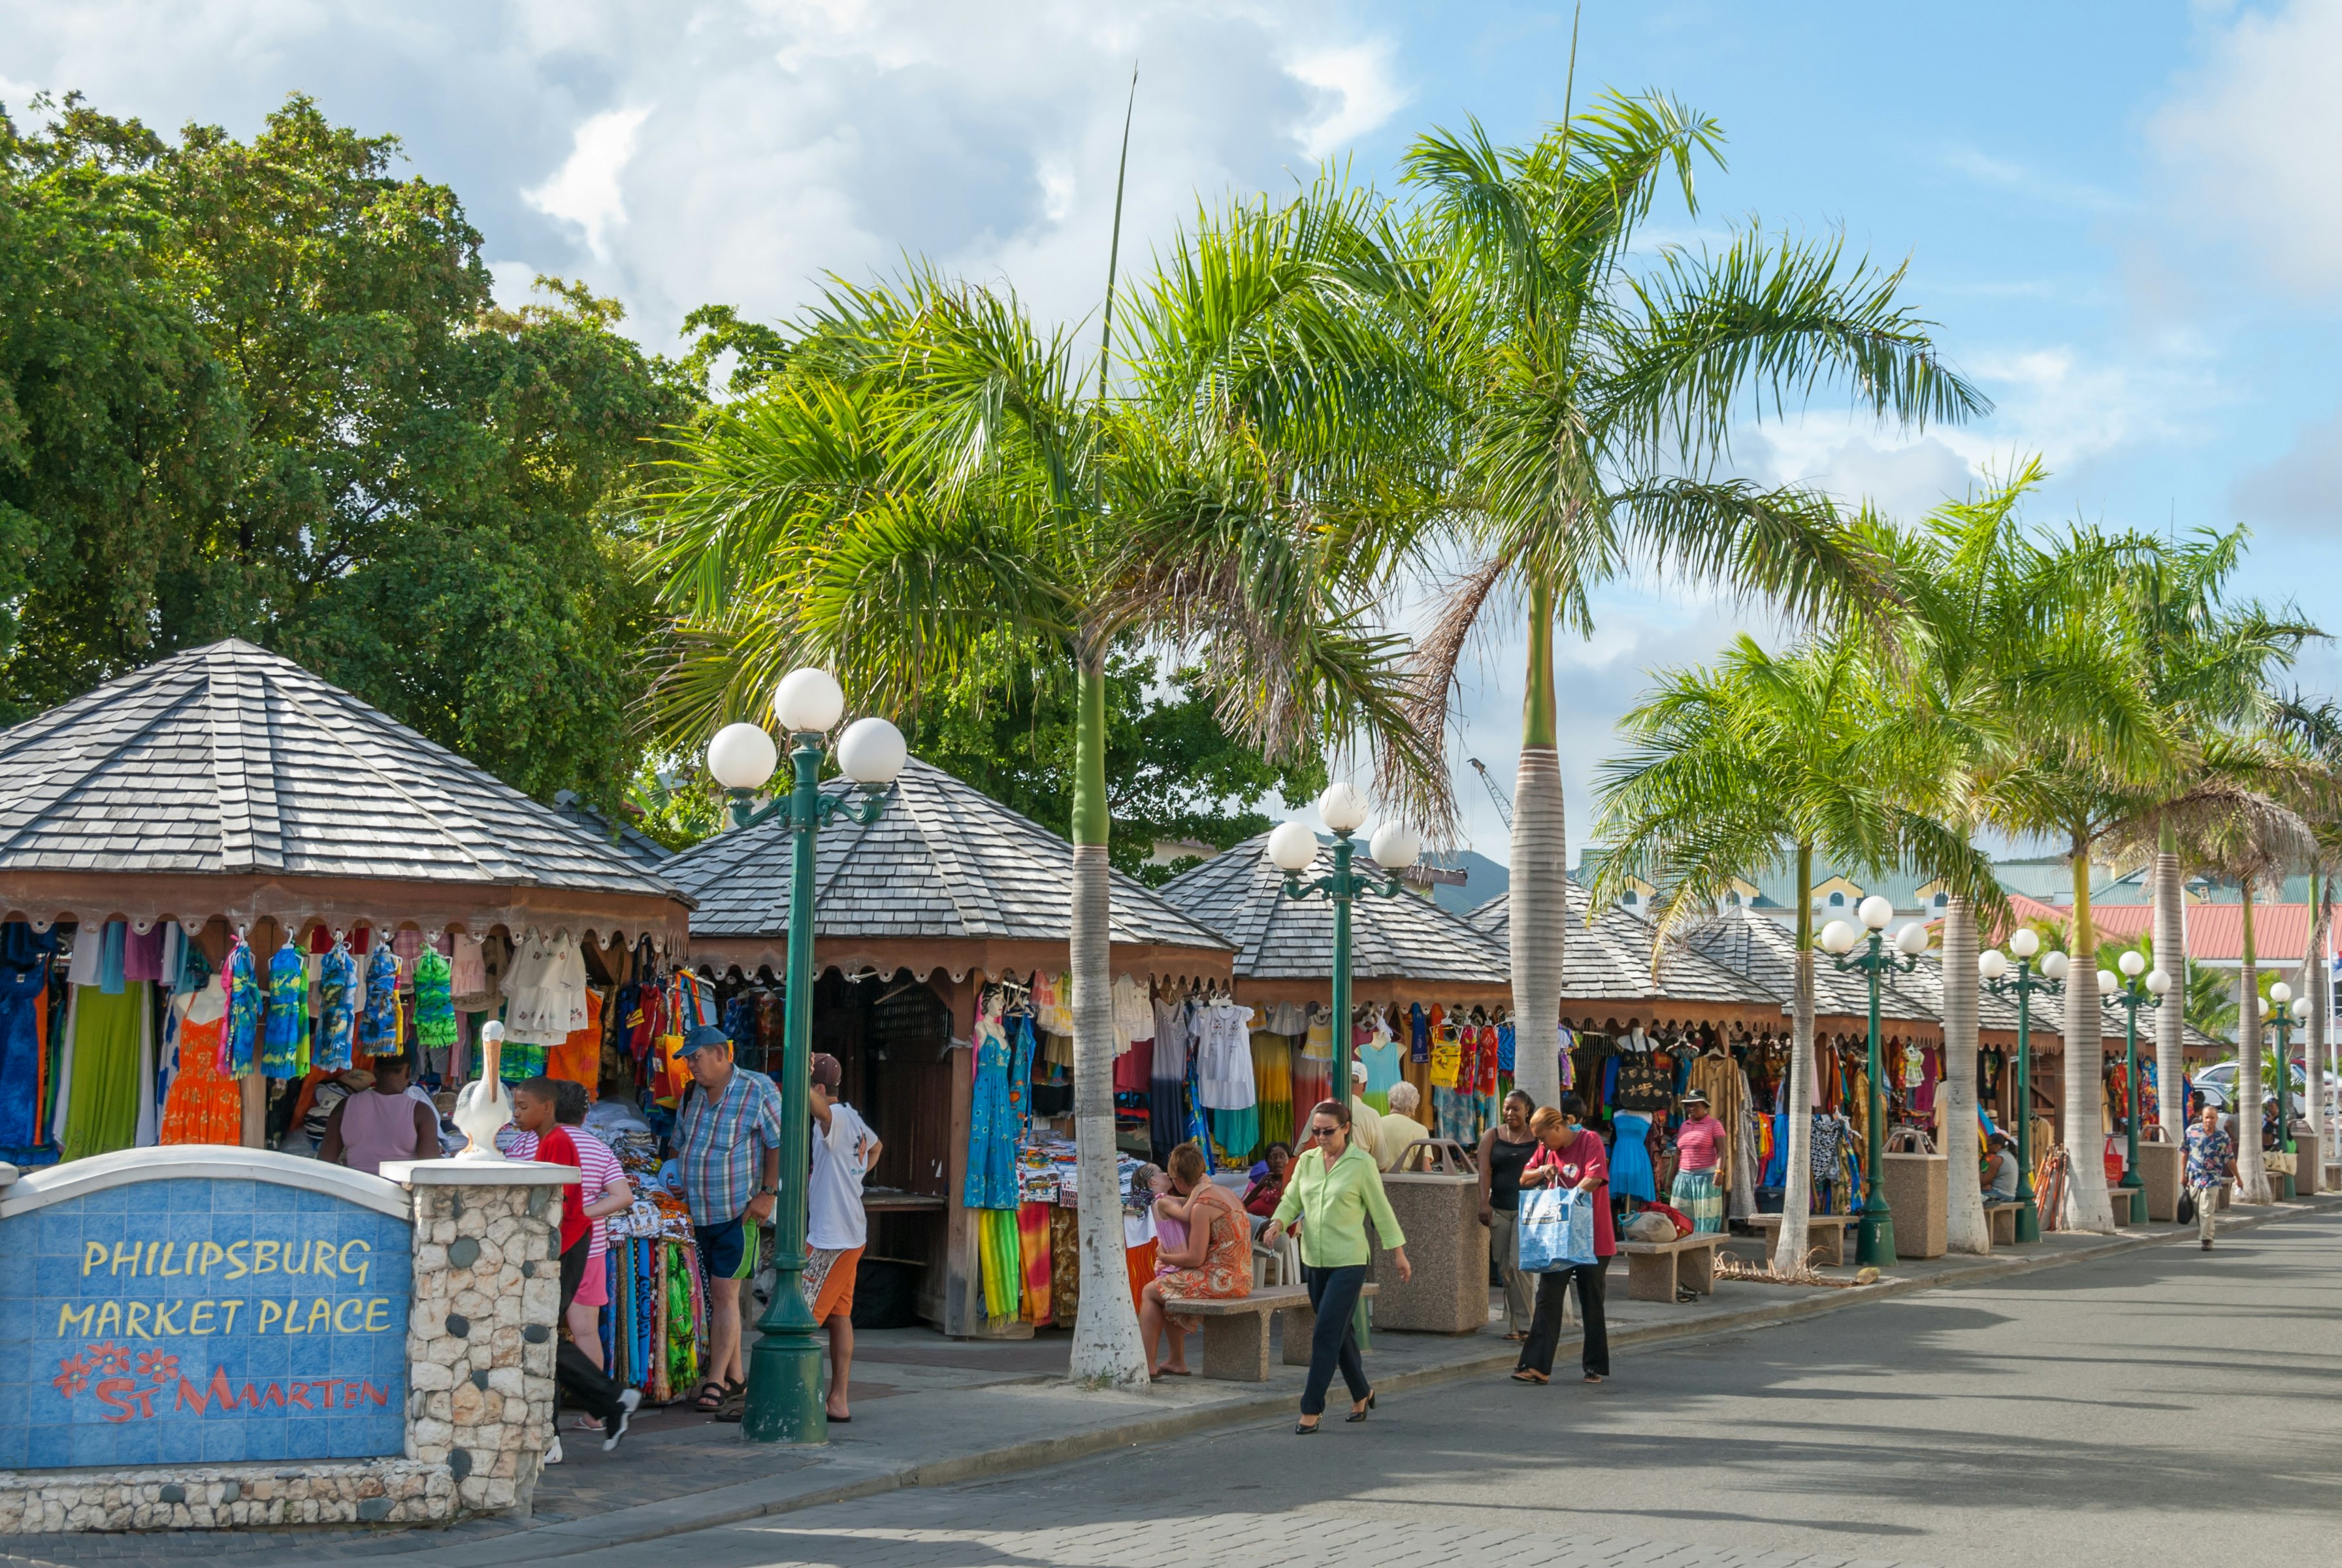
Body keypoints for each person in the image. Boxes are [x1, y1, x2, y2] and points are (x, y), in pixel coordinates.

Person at [510, 1077, 639, 1459]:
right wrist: (585, 1214)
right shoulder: (595, 1145)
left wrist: (574, 1215)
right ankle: (602, 1408)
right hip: (589, 1248)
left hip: (560, 1249)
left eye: (522, 1107)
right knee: (577, 1334)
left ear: (546, 1107)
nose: (515, 1115)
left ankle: (567, 1426)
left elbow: (542, 1201)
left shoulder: (536, 1143)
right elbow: (621, 1196)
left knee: (542, 1333)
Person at [1271, 1101, 1411, 1433]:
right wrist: (1278, 1222)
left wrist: (1399, 1253)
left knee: (1324, 1335)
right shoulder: (1306, 1161)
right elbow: (1292, 1199)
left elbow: (1381, 1211)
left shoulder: (1361, 1164)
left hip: (1349, 1262)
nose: (1321, 1137)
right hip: (1314, 1261)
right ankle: (1362, 1392)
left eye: (1328, 1131)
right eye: (1316, 1131)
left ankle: (1311, 1409)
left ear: (1346, 1128)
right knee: (1340, 1333)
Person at [674, 1024, 785, 1416]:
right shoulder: (692, 1095)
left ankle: (715, 1380)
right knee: (716, 1297)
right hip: (695, 1212)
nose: (691, 1066)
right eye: (688, 1059)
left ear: (721, 1054)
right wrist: (672, 1172)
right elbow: (679, 1141)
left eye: (696, 1057)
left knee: (724, 1294)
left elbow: (779, 1141)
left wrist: (768, 1194)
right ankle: (736, 1376)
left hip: (736, 1213)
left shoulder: (757, 1089)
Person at [1512, 1097, 1612, 1386]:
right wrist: (1543, 1170)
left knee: (1592, 1300)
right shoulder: (1545, 1150)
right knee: (1548, 1296)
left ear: (1558, 1126)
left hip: (1593, 1238)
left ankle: (1595, 1366)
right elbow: (1523, 1178)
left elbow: (1595, 1177)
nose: (1542, 1144)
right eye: (1539, 1140)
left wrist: (1569, 1200)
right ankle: (1536, 1366)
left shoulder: (1589, 1140)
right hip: (1558, 1240)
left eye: (1544, 1137)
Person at [806, 1051, 881, 1422]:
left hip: (831, 1236)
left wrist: (796, 1076)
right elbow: (877, 1145)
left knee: (802, 1315)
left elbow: (820, 1111)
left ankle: (796, 1395)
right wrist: (858, 1175)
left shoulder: (834, 1116)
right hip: (850, 1229)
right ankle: (838, 1400)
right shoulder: (854, 1117)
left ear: (820, 1088)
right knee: (840, 1316)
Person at [1141, 1140, 1254, 1380]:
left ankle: (1148, 1364)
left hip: (1222, 1280)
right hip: (1242, 1277)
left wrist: (1163, 1256)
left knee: (1151, 1291)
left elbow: (1194, 1258)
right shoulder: (1226, 1193)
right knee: (1169, 1287)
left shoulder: (1202, 1206)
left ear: (1179, 1180)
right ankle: (1175, 1361)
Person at [1478, 1089, 1538, 1339]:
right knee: (1505, 1270)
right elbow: (1485, 1172)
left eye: (1516, 1108)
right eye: (1506, 1108)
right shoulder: (1492, 1136)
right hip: (1500, 1209)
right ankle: (1516, 1326)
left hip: (1527, 1211)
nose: (1510, 1113)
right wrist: (1484, 1203)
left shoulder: (1537, 1137)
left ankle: (1526, 1325)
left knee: (1518, 1265)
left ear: (1527, 1110)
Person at [317, 1056, 439, 1175]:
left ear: (374, 1070)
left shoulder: (344, 1107)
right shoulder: (421, 1113)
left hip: (355, 1191)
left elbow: (323, 1166)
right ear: (408, 1072)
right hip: (400, 1192)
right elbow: (431, 1173)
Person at [1668, 1092, 1725, 1234]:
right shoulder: (1684, 1126)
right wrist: (1671, 1178)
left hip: (1705, 1179)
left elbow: (1722, 1151)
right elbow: (1678, 1155)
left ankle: (1704, 1250)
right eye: (1689, 1106)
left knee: (1705, 1217)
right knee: (1681, 1215)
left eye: (1696, 1105)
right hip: (1683, 1177)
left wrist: (1719, 1172)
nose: (1692, 1108)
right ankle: (1684, 1249)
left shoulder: (1714, 1125)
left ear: (1705, 1107)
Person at [2185, 1101, 2236, 1250]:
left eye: (2212, 1118)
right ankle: (2204, 1232)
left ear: (2217, 1119)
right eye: (2207, 1117)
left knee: (2206, 1210)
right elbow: (2184, 1152)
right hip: (2193, 1177)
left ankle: (2207, 1240)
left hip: (2212, 1179)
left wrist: (2238, 1177)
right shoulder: (2191, 1132)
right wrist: (2183, 1175)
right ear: (2202, 1117)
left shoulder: (2222, 1138)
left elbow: (2230, 1159)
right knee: (2197, 1210)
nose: (2209, 1120)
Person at [1376, 1081, 1432, 1173]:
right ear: (1414, 1107)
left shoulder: (1377, 1123)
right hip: (1407, 1184)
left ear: (1391, 1104)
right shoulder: (1420, 1131)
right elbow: (1426, 1168)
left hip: (1378, 1181)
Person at [1348, 1060, 1383, 1167]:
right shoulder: (1371, 1115)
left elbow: (1300, 1149)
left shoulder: (1321, 1109)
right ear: (1365, 1085)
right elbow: (1381, 1162)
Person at [1244, 1143, 1294, 1217]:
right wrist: (1258, 1188)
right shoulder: (1262, 1183)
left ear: (1290, 1160)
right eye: (1273, 1157)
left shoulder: (1293, 1184)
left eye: (1282, 1156)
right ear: (1267, 1162)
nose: (1278, 1161)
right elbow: (1241, 1209)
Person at [1985, 1132, 2020, 1201]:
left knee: (1972, 1194)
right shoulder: (2009, 1155)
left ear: (1997, 1146)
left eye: (1988, 1145)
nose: (1987, 1148)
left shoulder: (1999, 1159)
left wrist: (1976, 1163)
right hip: (2010, 1195)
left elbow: (1984, 1181)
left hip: (2001, 1194)